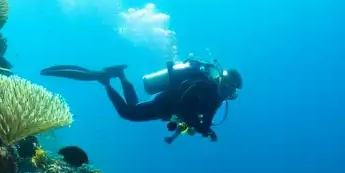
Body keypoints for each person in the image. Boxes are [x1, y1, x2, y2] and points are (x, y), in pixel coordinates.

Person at [40, 58, 242, 143]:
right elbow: (184, 103)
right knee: (128, 113)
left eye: (234, 92)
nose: (231, 94)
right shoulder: (204, 86)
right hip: (166, 104)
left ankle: (119, 75)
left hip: (167, 108)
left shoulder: (216, 99)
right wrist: (198, 124)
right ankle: (106, 82)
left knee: (133, 109)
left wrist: (207, 130)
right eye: (231, 88)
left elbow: (204, 119)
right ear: (224, 82)